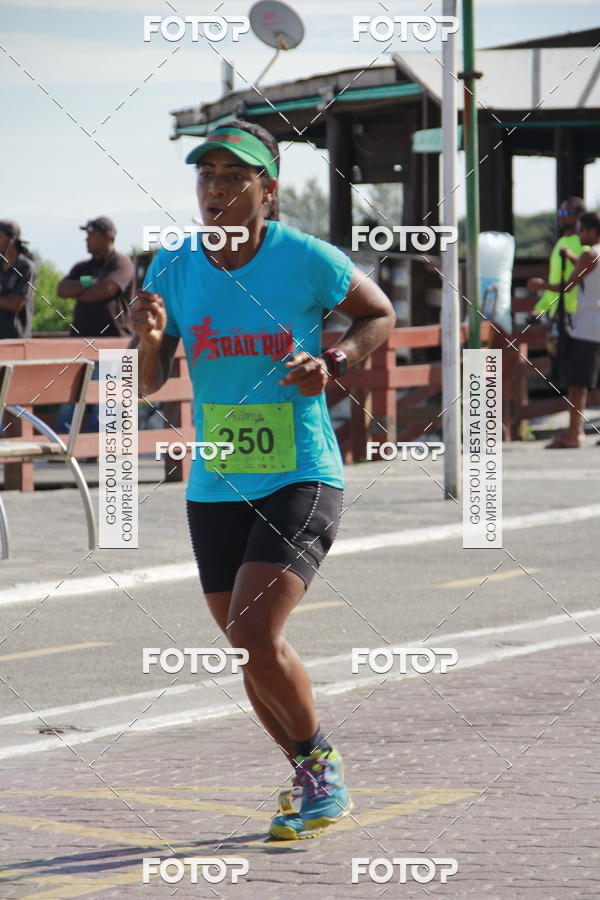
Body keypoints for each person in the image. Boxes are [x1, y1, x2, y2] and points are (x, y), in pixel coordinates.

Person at [131, 120, 395, 840]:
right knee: (247, 648)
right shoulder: (173, 267)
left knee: (254, 628)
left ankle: (321, 771)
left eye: (232, 177)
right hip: (217, 479)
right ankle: (309, 775)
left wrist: (333, 363)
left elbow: (378, 313)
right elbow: (152, 382)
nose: (215, 189)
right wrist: (151, 342)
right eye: (206, 176)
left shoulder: (306, 259)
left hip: (300, 472)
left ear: (267, 191)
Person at [527, 212, 600, 448]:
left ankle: (573, 434)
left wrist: (540, 285)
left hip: (588, 327)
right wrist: (571, 256)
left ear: (592, 231)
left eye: (581, 230)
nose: (578, 235)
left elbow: (568, 286)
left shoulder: (589, 254)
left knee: (578, 384)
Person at [56, 216, 134, 433]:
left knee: (107, 403)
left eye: (90, 234)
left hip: (112, 345)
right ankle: (60, 444)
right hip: (79, 345)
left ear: (106, 236)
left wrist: (81, 291)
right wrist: (89, 282)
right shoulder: (83, 266)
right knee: (70, 396)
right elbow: (62, 289)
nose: (86, 239)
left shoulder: (121, 262)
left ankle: (97, 452)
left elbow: (106, 290)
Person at [529, 197, 587, 321]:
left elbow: (587, 272)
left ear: (579, 216)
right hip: (558, 315)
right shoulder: (560, 242)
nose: (562, 216)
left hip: (577, 316)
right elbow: (554, 281)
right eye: (560, 212)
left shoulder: (585, 243)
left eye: (566, 213)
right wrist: (540, 308)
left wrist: (542, 285)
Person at [0, 219, 36, 340]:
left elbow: (16, 304)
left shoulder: (25, 267)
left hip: (16, 341)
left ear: (12, 240)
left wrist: (9, 300)